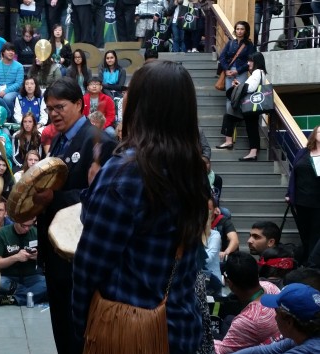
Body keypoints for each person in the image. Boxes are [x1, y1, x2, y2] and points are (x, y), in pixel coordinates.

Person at [72, 61, 209, 354]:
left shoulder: (126, 172)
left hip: (130, 331)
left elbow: (90, 264)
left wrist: (82, 324)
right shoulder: (194, 168)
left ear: (141, 107)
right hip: (180, 325)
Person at [31, 77, 114, 354]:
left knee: (80, 334)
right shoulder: (58, 140)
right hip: (56, 252)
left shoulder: (98, 140)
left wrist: (55, 198)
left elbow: (103, 196)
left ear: (79, 104)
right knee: (62, 330)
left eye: (60, 106)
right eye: (49, 108)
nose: (54, 113)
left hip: (79, 253)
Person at [215, 252, 281, 354]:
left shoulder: (248, 320)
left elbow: (221, 351)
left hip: (257, 341)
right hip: (269, 338)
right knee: (228, 319)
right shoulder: (270, 286)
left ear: (230, 283)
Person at [219, 52, 268, 161]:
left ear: (256, 62)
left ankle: (231, 143)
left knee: (233, 117)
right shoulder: (260, 73)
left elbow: (250, 88)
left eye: (250, 61)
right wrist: (239, 85)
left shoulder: (257, 72)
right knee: (251, 127)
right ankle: (252, 151)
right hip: (252, 104)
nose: (248, 63)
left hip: (250, 105)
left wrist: (239, 86)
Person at [0, 217, 48, 307]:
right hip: (9, 278)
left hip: (32, 276)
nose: (27, 229)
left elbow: (47, 259)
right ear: (16, 220)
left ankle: (13, 299)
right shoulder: (2, 234)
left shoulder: (36, 232)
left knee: (48, 282)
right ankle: (34, 293)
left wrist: (38, 256)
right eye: (23, 226)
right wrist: (15, 258)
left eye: (30, 225)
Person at [215, 21, 256, 151]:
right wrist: (227, 69)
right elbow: (222, 57)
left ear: (246, 31)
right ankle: (230, 126)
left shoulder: (249, 45)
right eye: (237, 29)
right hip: (228, 72)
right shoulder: (230, 43)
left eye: (241, 29)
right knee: (229, 96)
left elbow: (251, 61)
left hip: (241, 73)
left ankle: (234, 120)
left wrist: (237, 71)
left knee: (238, 96)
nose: (239, 31)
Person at [287, 124, 320, 268]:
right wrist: (289, 193)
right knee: (304, 232)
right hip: (301, 200)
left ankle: (312, 265)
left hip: (318, 201)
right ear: (314, 134)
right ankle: (305, 261)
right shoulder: (303, 152)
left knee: (316, 233)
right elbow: (294, 174)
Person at [0, 42, 25, 115]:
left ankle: (10, 117)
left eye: (13, 51)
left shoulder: (19, 66)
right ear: (3, 52)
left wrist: (5, 91)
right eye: (9, 50)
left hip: (12, 92)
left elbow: (19, 83)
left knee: (7, 98)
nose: (11, 52)